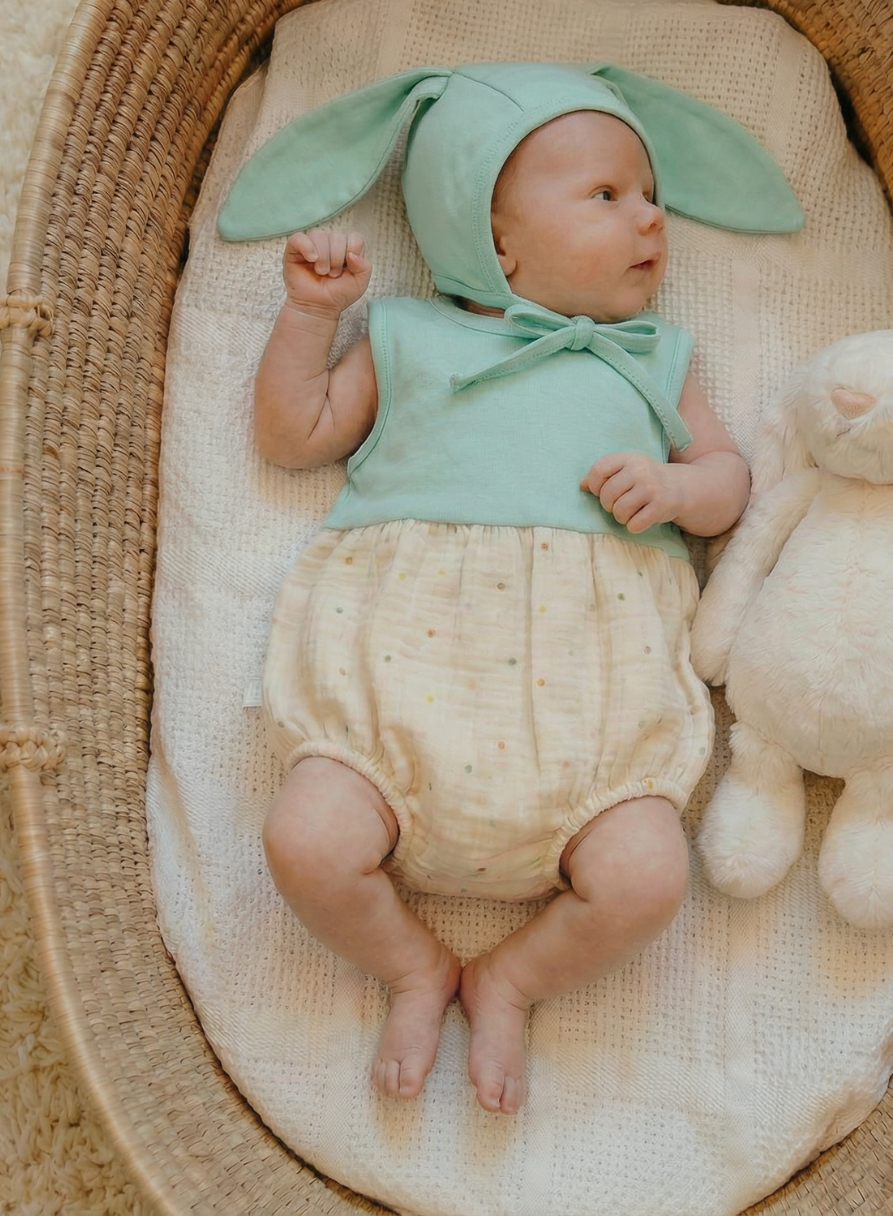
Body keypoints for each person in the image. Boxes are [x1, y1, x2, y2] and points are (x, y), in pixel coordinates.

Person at [219, 62, 802, 1114]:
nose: (652, 218)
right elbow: (292, 434)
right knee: (304, 840)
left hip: (591, 728)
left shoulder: (655, 358)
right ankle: (412, 967)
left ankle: (512, 981)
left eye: (651, 194)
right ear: (494, 240)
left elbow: (728, 485)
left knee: (648, 876)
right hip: (395, 707)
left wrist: (678, 487)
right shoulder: (407, 337)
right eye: (608, 194)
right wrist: (311, 316)